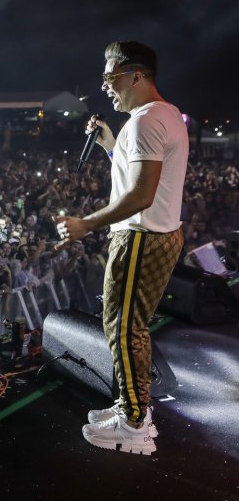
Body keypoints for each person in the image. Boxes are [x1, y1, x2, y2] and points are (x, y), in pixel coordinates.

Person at [55, 41, 187, 455]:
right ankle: (133, 408)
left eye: (111, 77)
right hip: (159, 235)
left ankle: (134, 424)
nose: (106, 86)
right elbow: (137, 178)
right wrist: (111, 143)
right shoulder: (162, 116)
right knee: (128, 324)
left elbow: (140, 196)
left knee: (123, 326)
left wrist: (86, 224)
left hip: (141, 238)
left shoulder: (147, 122)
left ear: (136, 75)